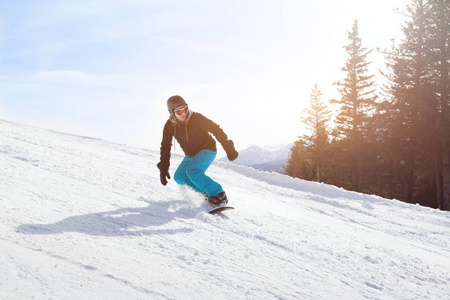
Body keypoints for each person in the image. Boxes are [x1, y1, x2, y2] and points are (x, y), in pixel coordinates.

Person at [157, 95, 239, 207]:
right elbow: (165, 146)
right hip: (191, 154)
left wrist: (228, 147)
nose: (183, 114)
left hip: (207, 149)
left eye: (185, 110)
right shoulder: (169, 126)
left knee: (193, 171)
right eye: (179, 112)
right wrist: (164, 167)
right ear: (171, 113)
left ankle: (218, 195)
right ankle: (205, 194)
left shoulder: (196, 118)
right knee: (179, 177)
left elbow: (216, 129)